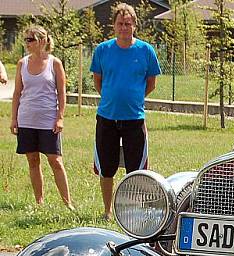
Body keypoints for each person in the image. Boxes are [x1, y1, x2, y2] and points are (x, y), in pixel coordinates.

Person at [90, 3, 161, 221]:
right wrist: (113, 98)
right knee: (107, 167)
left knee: (135, 170)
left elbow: (151, 84)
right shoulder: (102, 50)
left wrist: (133, 98)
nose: (124, 28)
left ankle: (131, 211)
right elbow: (98, 82)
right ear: (114, 25)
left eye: (128, 24)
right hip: (107, 117)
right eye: (120, 24)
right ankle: (108, 211)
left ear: (134, 25)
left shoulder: (146, 51)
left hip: (134, 119)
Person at [10, 26, 73, 210]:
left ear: (42, 41)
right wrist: (14, 119)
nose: (27, 43)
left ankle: (68, 203)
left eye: (31, 39)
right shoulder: (22, 63)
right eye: (26, 40)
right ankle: (39, 202)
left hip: (48, 121)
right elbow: (17, 93)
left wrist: (60, 117)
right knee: (33, 160)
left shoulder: (55, 63)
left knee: (55, 160)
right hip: (26, 119)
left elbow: (62, 94)